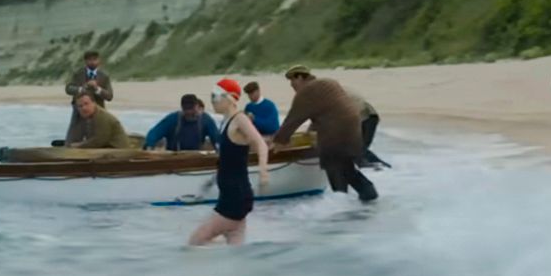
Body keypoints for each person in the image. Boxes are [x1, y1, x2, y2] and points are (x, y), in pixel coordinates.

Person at [274, 66, 377, 202]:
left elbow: (292, 120)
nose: (291, 85)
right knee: (346, 167)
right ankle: (367, 197)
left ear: (299, 77)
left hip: (336, 133)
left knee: (334, 166)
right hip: (354, 129)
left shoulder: (307, 92)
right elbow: (327, 112)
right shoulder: (328, 83)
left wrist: (278, 142)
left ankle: (342, 204)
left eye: (292, 81)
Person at [189, 80, 270, 246]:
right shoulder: (224, 122)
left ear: (231, 98)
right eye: (211, 96)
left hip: (235, 197)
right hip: (232, 195)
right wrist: (211, 181)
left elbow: (261, 144)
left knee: (195, 242)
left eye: (216, 96)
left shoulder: (240, 119)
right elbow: (227, 160)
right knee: (234, 251)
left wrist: (263, 172)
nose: (212, 100)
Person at [144, 94, 220, 152]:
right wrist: (149, 146)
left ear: (197, 106)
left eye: (191, 110)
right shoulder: (172, 119)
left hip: (196, 157)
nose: (189, 112)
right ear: (182, 108)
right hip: (174, 157)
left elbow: (216, 138)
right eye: (187, 110)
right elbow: (154, 133)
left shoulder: (206, 119)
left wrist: (221, 151)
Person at [64, 50, 113, 138]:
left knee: (98, 135)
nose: (92, 62)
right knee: (74, 135)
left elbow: (109, 96)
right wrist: (81, 89)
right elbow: (68, 88)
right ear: (85, 61)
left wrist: (97, 88)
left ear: (99, 60)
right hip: (79, 111)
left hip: (98, 111)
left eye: (95, 59)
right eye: (90, 60)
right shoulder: (78, 74)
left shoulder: (104, 76)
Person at [66, 92, 132, 149]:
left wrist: (78, 145)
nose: (84, 108)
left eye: (86, 104)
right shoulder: (90, 116)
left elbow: (98, 141)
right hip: (107, 148)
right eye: (80, 106)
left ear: (94, 103)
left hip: (118, 151)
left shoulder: (102, 117)